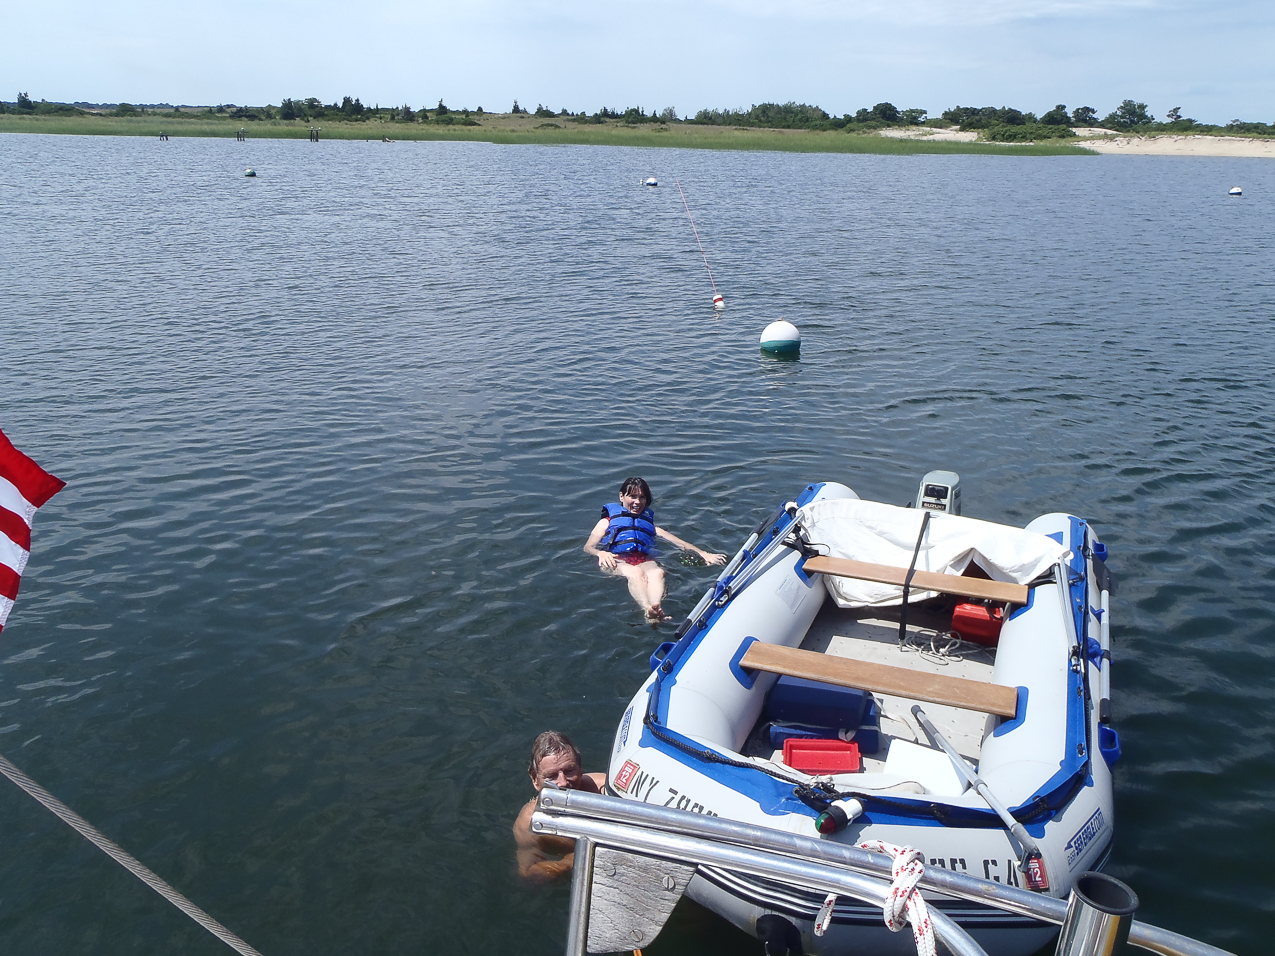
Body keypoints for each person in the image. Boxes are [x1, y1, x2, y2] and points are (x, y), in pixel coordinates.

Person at [584, 477, 726, 622]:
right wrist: (600, 553)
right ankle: (647, 609)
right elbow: (588, 547)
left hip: (643, 558)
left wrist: (703, 554)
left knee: (657, 572)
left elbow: (678, 542)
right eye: (632, 496)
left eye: (642, 497)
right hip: (616, 559)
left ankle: (656, 608)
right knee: (636, 573)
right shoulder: (606, 522)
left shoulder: (650, 526)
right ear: (622, 496)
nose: (637, 502)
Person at [513, 731, 606, 882]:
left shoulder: (601, 787)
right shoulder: (529, 823)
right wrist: (574, 860)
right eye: (551, 776)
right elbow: (528, 872)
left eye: (569, 771)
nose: (562, 782)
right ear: (534, 778)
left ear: (580, 769)